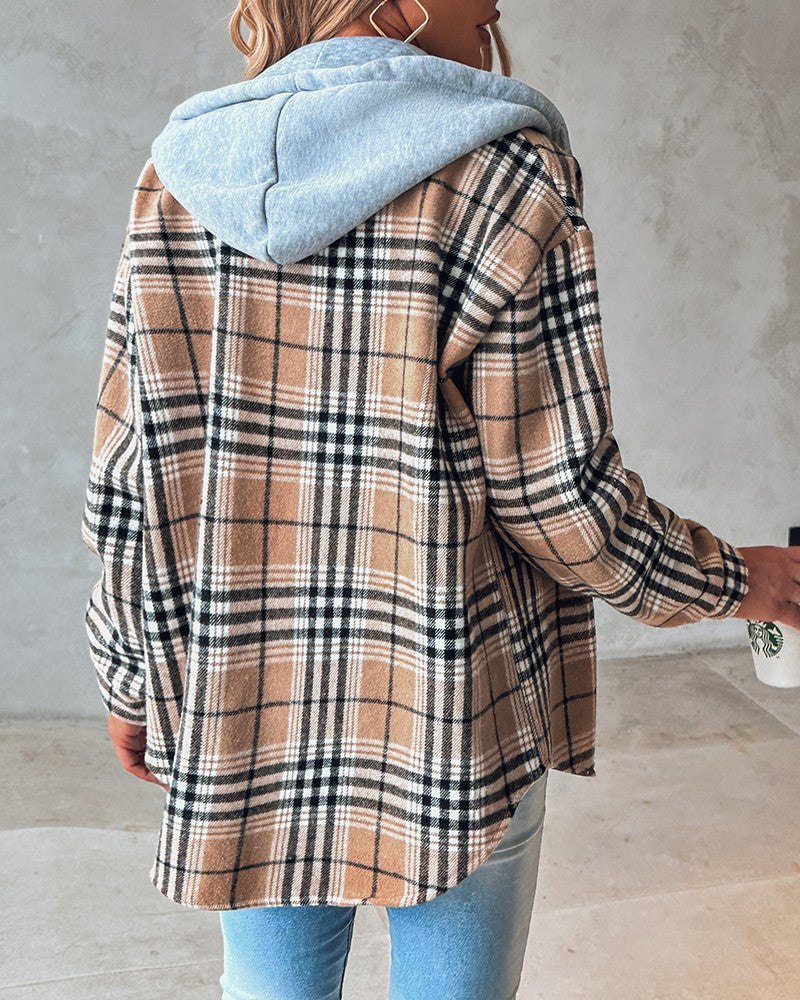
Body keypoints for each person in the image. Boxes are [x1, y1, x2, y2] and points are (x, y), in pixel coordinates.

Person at [80, 1, 800, 998]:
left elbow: (129, 480)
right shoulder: (506, 174)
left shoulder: (178, 178)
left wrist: (128, 675)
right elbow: (557, 497)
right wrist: (733, 579)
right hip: (452, 709)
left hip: (245, 707)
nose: (496, 7)